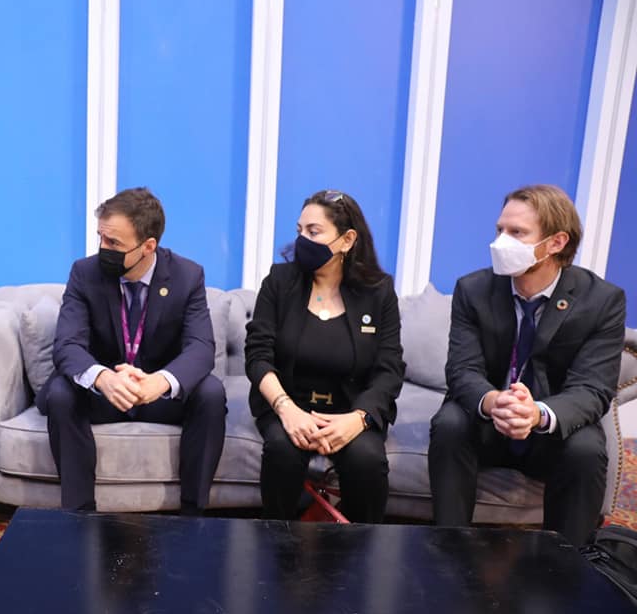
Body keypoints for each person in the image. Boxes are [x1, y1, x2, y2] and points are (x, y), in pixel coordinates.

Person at [428, 184, 626, 546]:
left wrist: (536, 414)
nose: (500, 242)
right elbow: (462, 370)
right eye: (499, 229)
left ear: (556, 242)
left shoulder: (602, 301)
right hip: (489, 423)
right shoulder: (473, 290)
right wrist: (494, 402)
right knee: (450, 423)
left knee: (586, 448)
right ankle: (449, 549)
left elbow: (593, 388)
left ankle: (567, 562)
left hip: (551, 427)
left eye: (517, 232)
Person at [36, 187, 226, 515]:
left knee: (211, 392)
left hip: (157, 395)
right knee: (61, 393)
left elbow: (201, 347)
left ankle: (192, 517)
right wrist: (103, 378)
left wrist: (160, 382)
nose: (103, 249)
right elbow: (67, 344)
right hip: (104, 394)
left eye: (114, 243)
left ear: (148, 246)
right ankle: (79, 517)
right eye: (101, 238)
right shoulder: (84, 273)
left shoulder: (187, 276)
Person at [244, 189, 404, 522]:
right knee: (283, 450)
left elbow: (389, 369)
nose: (302, 240)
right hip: (289, 405)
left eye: (314, 232)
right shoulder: (279, 281)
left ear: (347, 240)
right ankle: (275, 544)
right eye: (299, 230)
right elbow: (258, 355)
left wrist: (358, 418)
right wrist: (286, 409)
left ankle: (363, 548)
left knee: (366, 459)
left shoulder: (378, 292)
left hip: (351, 411)